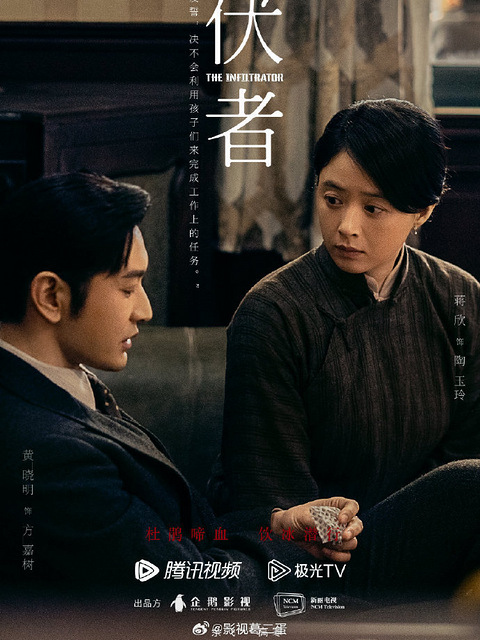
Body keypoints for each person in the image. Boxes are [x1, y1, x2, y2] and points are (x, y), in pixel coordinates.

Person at [0, 171, 361, 599]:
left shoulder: (56, 386)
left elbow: (176, 536)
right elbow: (186, 589)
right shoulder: (48, 454)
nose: (145, 309)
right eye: (127, 288)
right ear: (50, 296)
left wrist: (277, 526)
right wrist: (294, 554)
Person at [213, 98, 480, 601]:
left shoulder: (459, 298)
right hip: (316, 563)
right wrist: (324, 526)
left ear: (422, 211)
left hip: (437, 546)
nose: (346, 226)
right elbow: (265, 493)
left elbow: (466, 450)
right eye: (332, 199)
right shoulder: (273, 312)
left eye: (373, 208)